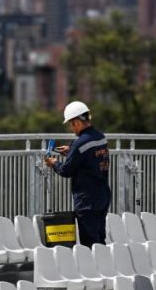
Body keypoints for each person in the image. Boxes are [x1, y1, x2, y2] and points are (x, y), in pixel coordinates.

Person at [44, 101, 111, 246]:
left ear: (77, 122)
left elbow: (66, 170)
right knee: (100, 239)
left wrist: (54, 163)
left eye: (71, 124)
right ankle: (103, 261)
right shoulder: (100, 137)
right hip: (103, 196)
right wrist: (71, 150)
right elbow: (90, 157)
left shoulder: (79, 144)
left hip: (87, 200)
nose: (71, 128)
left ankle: (94, 262)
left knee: (90, 243)